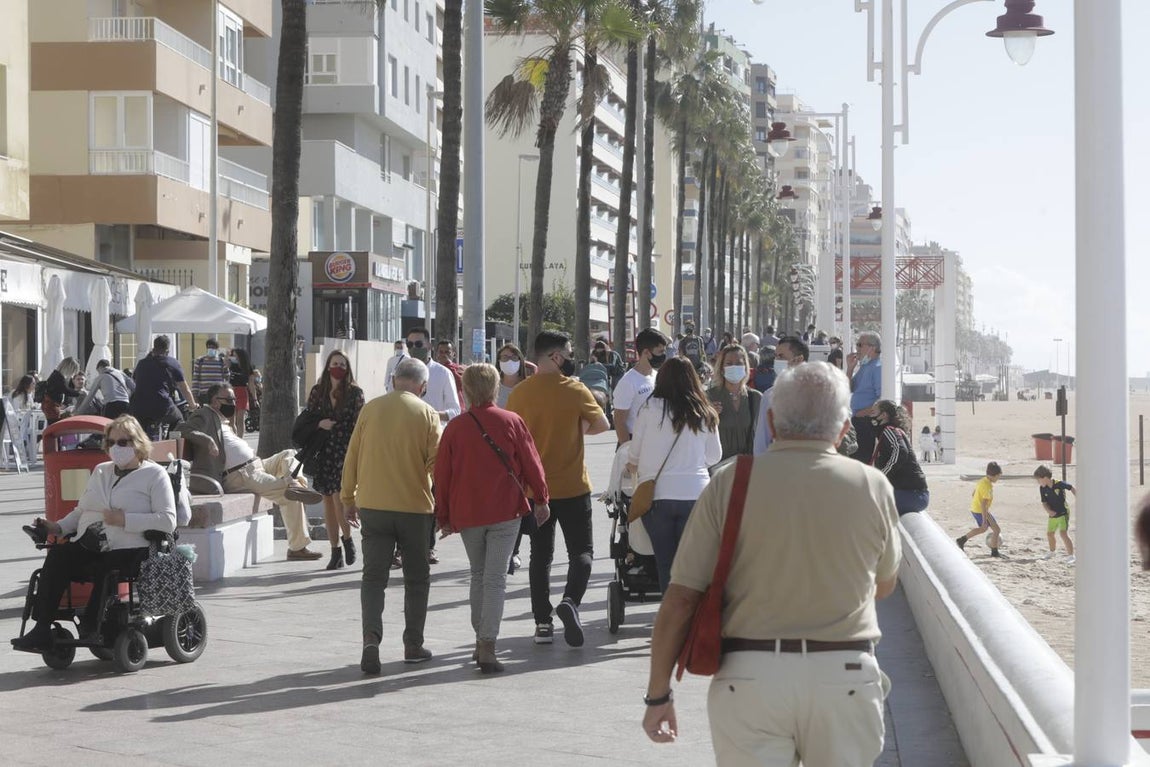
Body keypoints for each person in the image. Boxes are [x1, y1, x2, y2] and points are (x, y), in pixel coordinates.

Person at [641, 362, 900, 763]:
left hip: (749, 677)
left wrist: (658, 695)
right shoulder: (872, 485)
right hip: (844, 676)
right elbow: (883, 586)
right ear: (844, 429)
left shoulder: (731, 481)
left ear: (773, 422)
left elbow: (681, 598)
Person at [11, 415, 177, 652]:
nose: (116, 448)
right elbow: (82, 511)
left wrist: (125, 519)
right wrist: (56, 527)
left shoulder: (155, 474)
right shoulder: (101, 471)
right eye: (111, 442)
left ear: (138, 442)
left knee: (107, 567)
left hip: (131, 548)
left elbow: (168, 521)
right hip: (91, 543)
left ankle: (92, 624)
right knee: (58, 557)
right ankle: (42, 628)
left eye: (123, 442)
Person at [435, 364, 550, 673]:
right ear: (495, 388)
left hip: (468, 512)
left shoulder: (455, 428)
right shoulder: (511, 421)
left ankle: (480, 639)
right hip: (506, 510)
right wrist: (541, 498)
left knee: (478, 574)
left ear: (466, 390)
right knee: (495, 578)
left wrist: (442, 515)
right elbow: (532, 462)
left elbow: (442, 475)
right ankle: (487, 644)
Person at [507, 330, 610, 647]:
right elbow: (603, 424)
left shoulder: (520, 394)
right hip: (574, 486)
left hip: (534, 491)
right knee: (582, 552)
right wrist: (575, 428)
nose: (571, 359)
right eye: (568, 353)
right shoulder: (575, 390)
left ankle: (542, 623)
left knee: (540, 556)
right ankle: (570, 601)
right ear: (555, 357)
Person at [342, 357, 441, 673]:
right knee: (417, 579)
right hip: (415, 508)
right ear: (422, 386)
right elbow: (437, 464)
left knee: (373, 577)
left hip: (373, 505)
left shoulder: (370, 409)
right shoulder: (427, 413)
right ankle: (413, 644)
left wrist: (348, 498)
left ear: (395, 379)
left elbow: (352, 455)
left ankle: (370, 639)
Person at [178, 383, 324, 561]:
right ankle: (297, 547)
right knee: (288, 493)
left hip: (257, 465)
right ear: (215, 401)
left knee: (289, 454)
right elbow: (182, 429)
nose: (233, 403)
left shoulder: (223, 420)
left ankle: (297, 484)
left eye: (234, 399)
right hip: (240, 475)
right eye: (229, 400)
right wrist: (207, 440)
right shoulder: (204, 414)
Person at [626, 357, 721, 593]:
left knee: (665, 561)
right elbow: (714, 456)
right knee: (692, 562)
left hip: (657, 496)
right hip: (696, 494)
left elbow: (634, 453)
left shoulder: (649, 408)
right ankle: (693, 609)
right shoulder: (705, 412)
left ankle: (670, 608)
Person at [305, 351, 366, 571]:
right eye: (334, 363)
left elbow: (360, 424)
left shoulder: (355, 393)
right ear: (328, 366)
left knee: (340, 498)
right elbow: (308, 418)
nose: (338, 367)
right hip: (324, 450)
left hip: (345, 451)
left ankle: (347, 540)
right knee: (328, 502)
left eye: (342, 364)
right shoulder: (318, 391)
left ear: (347, 368)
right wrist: (319, 424)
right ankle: (335, 550)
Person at [870, 400, 930, 516]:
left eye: (873, 412)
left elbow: (901, 452)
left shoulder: (889, 431)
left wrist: (882, 475)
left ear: (884, 415)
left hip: (911, 495)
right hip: (912, 494)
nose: (870, 416)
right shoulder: (887, 433)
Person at [130, 336, 197, 439]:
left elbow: (135, 380)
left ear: (153, 348)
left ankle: (141, 445)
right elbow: (185, 389)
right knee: (178, 419)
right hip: (161, 405)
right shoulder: (172, 362)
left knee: (141, 433)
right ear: (167, 351)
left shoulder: (141, 363)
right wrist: (193, 405)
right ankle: (169, 443)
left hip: (139, 406)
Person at [706, 344, 761, 462]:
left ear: (745, 367)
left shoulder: (756, 398)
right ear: (721, 368)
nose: (734, 367)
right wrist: (708, 417)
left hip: (748, 466)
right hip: (717, 466)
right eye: (729, 363)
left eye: (739, 363)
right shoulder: (708, 397)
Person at [752, 337, 806, 456]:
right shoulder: (769, 395)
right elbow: (762, 440)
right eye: (775, 356)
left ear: (799, 359)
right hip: (780, 462)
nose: (776, 360)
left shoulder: (819, 394)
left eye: (781, 356)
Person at [613, 328, 667, 446]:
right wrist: (627, 450)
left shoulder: (656, 376)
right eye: (660, 352)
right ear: (646, 352)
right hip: (635, 442)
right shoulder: (628, 382)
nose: (663, 356)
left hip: (653, 441)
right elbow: (619, 421)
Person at [847, 331, 883, 462]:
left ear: (872, 348)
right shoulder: (865, 366)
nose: (857, 348)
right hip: (858, 420)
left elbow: (882, 400)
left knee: (860, 460)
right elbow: (848, 388)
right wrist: (850, 369)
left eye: (860, 345)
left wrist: (862, 413)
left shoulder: (878, 367)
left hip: (866, 422)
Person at [957, 461, 1004, 557]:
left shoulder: (982, 481)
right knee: (996, 530)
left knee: (983, 529)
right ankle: (994, 552)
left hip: (975, 508)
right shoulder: (987, 487)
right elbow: (984, 504)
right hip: (981, 510)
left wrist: (977, 502)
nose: (998, 478)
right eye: (998, 476)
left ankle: (961, 540)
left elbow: (973, 494)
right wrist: (984, 520)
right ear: (994, 475)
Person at [1033, 465, 1076, 563]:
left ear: (1045, 478)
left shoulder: (1059, 484)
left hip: (1063, 512)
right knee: (1050, 534)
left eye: (1038, 480)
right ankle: (1052, 552)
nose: (1038, 482)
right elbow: (1044, 502)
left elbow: (1071, 488)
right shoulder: (1042, 488)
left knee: (1063, 533)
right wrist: (1049, 511)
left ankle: (1071, 556)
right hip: (1052, 514)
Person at [40, 357, 85, 424]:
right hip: (51, 405)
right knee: (54, 425)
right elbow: (66, 390)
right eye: (73, 371)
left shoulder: (56, 375)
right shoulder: (59, 377)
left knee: (53, 424)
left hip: (49, 404)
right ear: (68, 368)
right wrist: (78, 393)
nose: (72, 374)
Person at [191, 339, 230, 404]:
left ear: (217, 349)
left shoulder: (221, 361)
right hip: (204, 395)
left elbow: (227, 377)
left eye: (213, 347)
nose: (211, 349)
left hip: (218, 395)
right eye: (209, 347)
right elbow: (195, 379)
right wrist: (194, 395)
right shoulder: (200, 361)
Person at [227, 348, 254, 438]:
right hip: (231, 392)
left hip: (242, 392)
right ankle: (233, 438)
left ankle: (240, 439)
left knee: (240, 418)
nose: (234, 357)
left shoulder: (247, 367)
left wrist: (255, 398)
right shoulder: (231, 365)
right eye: (233, 355)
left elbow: (251, 383)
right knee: (231, 420)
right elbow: (225, 364)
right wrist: (227, 355)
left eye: (236, 355)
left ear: (241, 356)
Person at [435, 339, 466, 404]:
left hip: (456, 405)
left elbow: (460, 385)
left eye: (447, 352)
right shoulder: (432, 369)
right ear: (437, 354)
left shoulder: (459, 369)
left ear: (453, 354)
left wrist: (449, 366)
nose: (444, 355)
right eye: (441, 352)